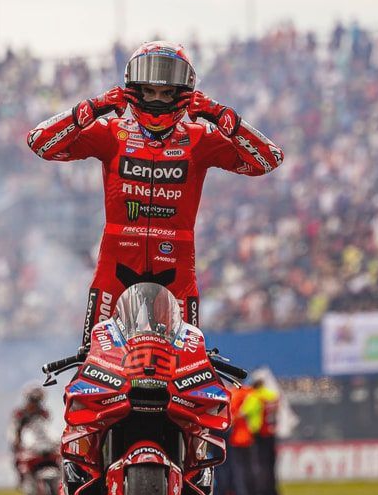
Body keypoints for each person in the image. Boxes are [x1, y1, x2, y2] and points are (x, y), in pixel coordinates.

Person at [26, 41, 284, 342]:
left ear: (182, 93)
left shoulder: (199, 138)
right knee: (95, 350)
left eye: (166, 93)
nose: (157, 100)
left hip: (176, 262)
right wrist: (92, 107)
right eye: (149, 91)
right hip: (117, 258)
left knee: (186, 355)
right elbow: (39, 142)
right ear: (134, 90)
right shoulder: (112, 133)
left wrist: (222, 116)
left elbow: (269, 159)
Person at [9, 383, 49, 485]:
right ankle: (22, 479)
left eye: (38, 400)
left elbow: (48, 428)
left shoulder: (44, 413)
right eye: (33, 399)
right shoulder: (20, 413)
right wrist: (17, 441)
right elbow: (15, 429)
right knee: (18, 458)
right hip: (26, 441)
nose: (35, 403)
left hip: (43, 441)